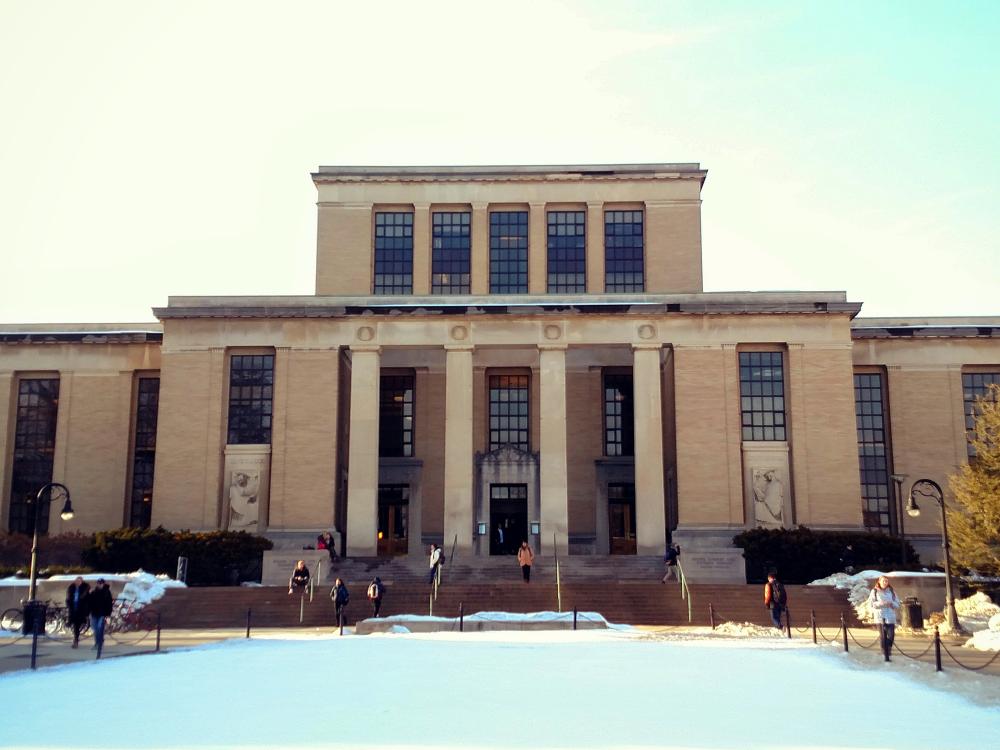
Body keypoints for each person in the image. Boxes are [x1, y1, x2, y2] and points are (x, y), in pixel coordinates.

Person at [867, 575, 901, 662]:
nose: (885, 583)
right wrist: (881, 603)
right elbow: (871, 604)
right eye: (883, 581)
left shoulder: (892, 591)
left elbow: (898, 603)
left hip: (890, 616)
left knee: (891, 635)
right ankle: (885, 652)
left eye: (886, 581)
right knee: (883, 636)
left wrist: (892, 603)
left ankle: (888, 648)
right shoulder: (874, 591)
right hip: (880, 616)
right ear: (879, 581)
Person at [89, 578, 113, 655]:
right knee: (95, 628)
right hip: (94, 613)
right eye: (98, 583)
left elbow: (109, 604)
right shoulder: (94, 591)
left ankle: (98, 643)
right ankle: (99, 641)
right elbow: (90, 601)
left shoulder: (107, 592)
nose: (99, 585)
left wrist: (108, 614)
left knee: (99, 628)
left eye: (101, 583)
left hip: (102, 613)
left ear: (103, 584)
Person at [65, 576, 91, 648]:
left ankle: (75, 640)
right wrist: (68, 603)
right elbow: (68, 597)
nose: (78, 582)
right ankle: (75, 639)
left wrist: (87, 610)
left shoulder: (85, 589)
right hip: (73, 608)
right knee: (74, 624)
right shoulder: (72, 588)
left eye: (79, 581)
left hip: (81, 609)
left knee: (77, 625)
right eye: (77, 581)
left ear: (82, 582)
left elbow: (88, 600)